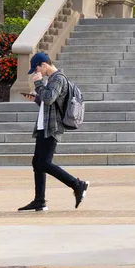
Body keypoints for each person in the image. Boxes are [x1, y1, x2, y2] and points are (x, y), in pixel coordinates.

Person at [18, 52, 88, 212]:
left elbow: (49, 98)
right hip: (44, 125)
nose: (36, 73)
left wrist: (38, 84)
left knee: (44, 163)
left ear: (44, 65)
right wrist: (35, 98)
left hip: (52, 127)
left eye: (36, 69)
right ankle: (39, 200)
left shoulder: (58, 78)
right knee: (37, 163)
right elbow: (47, 102)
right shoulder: (51, 79)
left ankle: (77, 185)